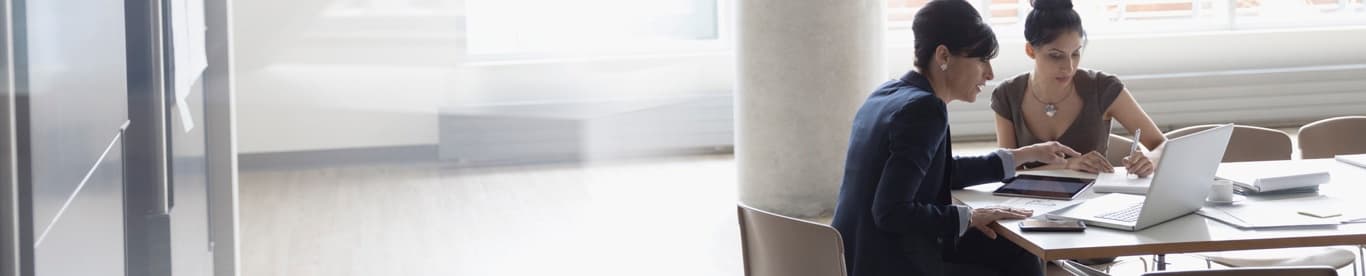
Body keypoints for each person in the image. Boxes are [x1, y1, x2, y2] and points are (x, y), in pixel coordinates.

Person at [831, 1, 1082, 275]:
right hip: (892, 263)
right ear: (943, 56)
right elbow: (891, 212)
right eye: (981, 59)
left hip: (855, 257)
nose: (989, 74)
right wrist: (969, 216)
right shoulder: (925, 109)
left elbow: (935, 173)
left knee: (1012, 249)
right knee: (1018, 256)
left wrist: (1025, 154)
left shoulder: (887, 93)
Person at [991, 0, 1165, 177]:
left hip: (1095, 200)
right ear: (1030, 50)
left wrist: (1150, 160)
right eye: (1055, 56)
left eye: (1075, 53)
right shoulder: (1007, 95)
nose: (1069, 67)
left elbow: (1162, 145)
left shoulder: (1103, 88)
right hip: (1030, 202)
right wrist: (1068, 165)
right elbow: (1008, 170)